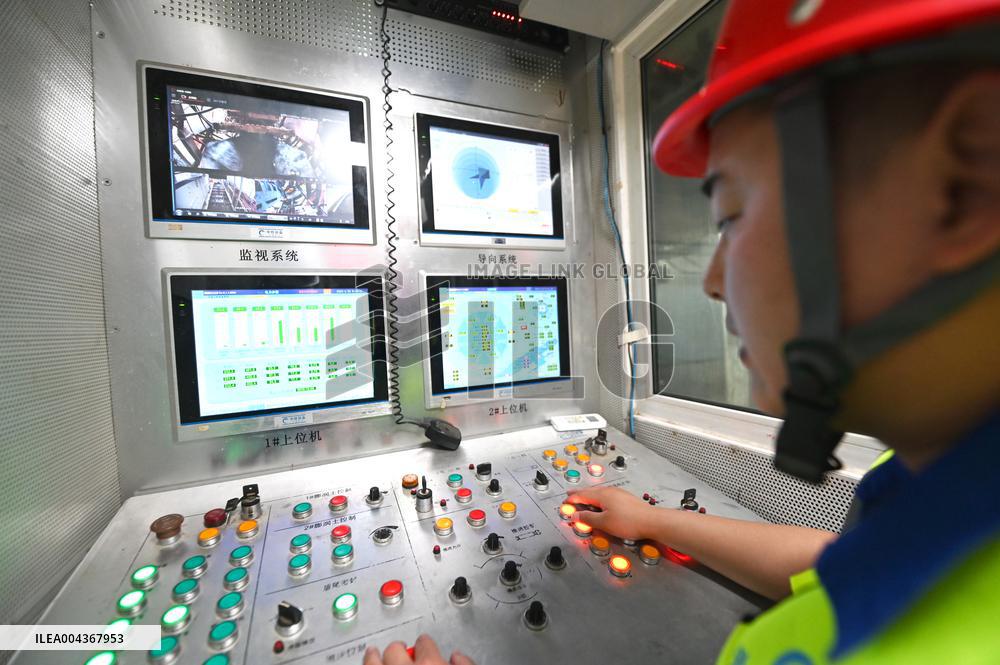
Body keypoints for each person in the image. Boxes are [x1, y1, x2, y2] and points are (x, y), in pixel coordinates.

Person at [364, 1, 1000, 662]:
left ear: (965, 184)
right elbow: (838, 562)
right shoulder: (943, 487)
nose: (713, 279)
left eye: (731, 213)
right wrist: (655, 519)